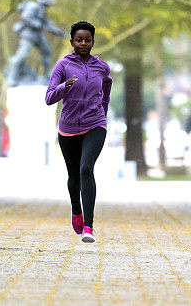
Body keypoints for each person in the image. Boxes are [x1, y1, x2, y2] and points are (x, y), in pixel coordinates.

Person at [45, 21, 112, 243]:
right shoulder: (63, 66)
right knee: (74, 176)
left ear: (93, 42)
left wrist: (102, 114)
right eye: (79, 40)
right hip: (68, 129)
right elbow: (49, 98)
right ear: (72, 41)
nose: (83, 43)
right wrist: (65, 87)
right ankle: (76, 211)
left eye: (87, 40)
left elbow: (106, 93)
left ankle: (89, 226)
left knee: (86, 169)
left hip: (95, 125)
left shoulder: (102, 68)